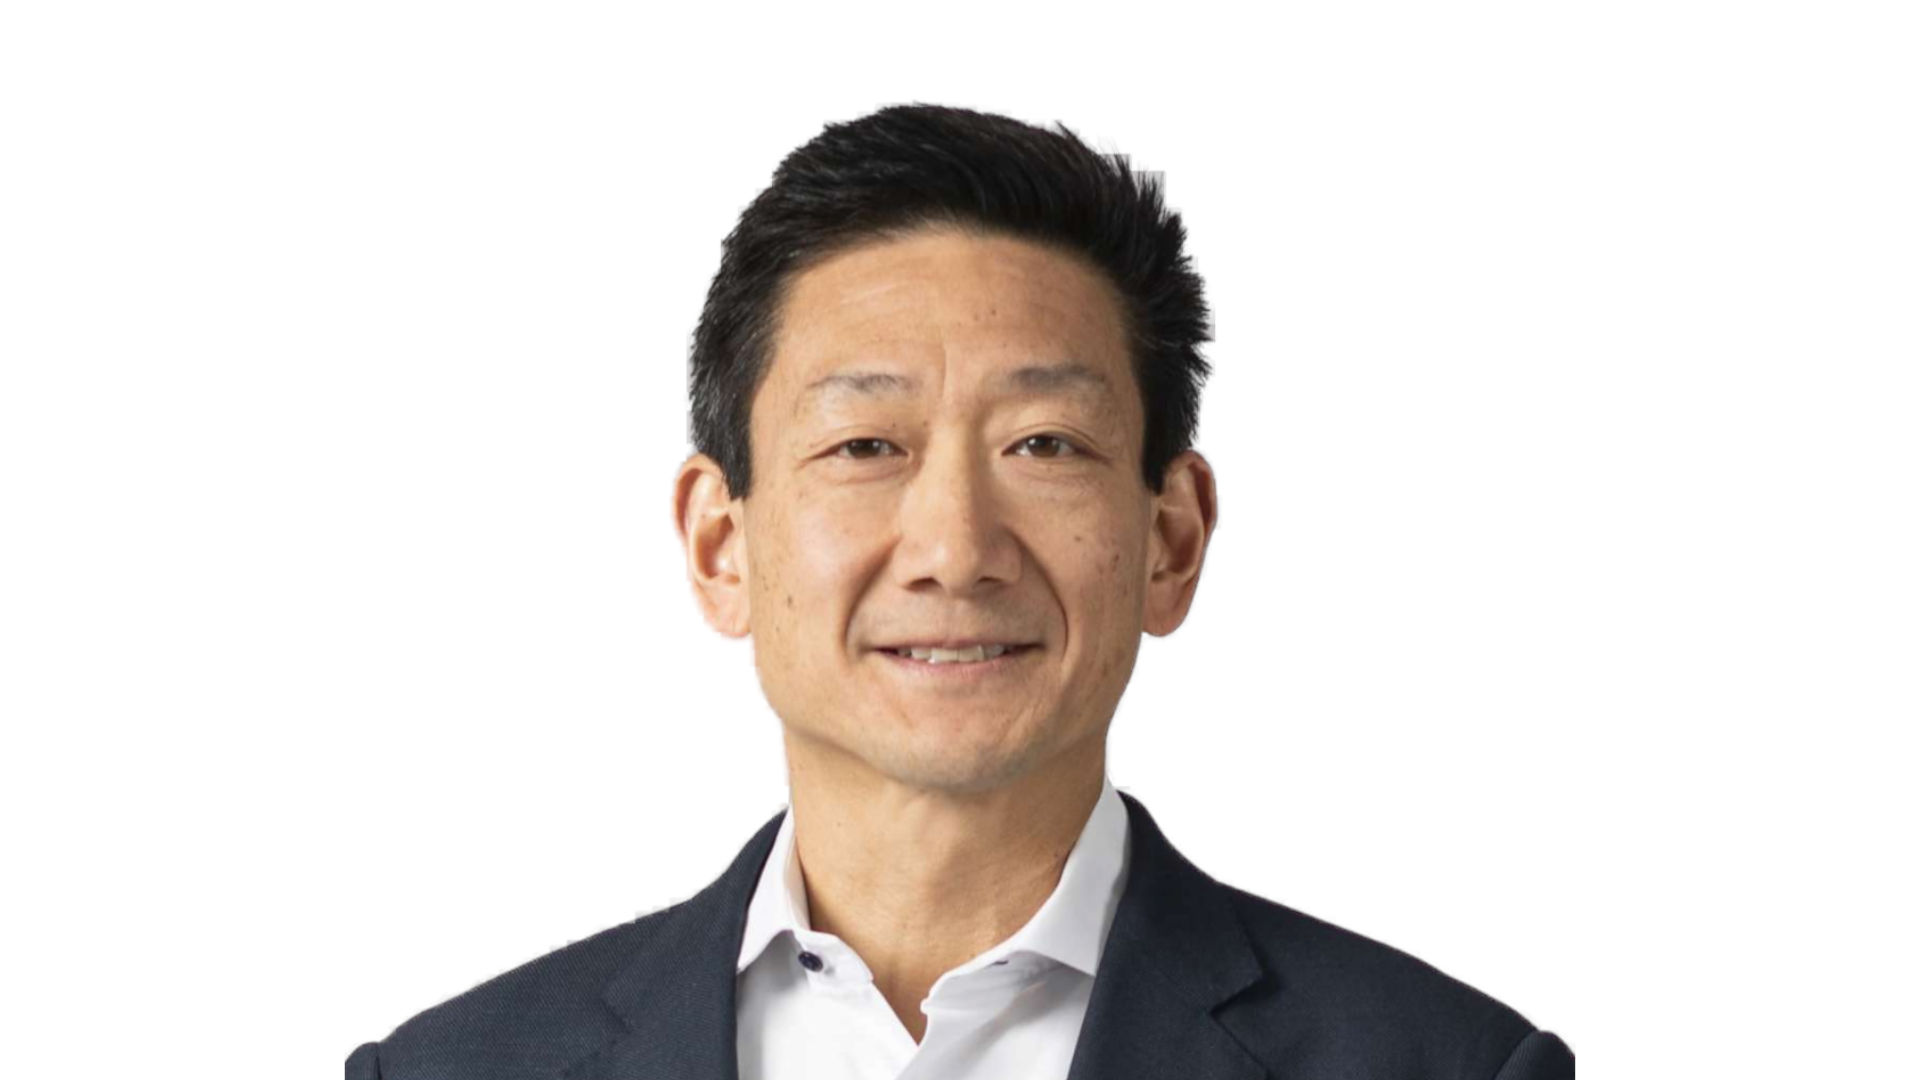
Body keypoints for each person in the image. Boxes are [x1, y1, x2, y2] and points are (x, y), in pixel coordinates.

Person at [346, 102, 1574, 1080]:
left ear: (1172, 539)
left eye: (1044, 444)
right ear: (722, 545)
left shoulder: (1445, 1065)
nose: (955, 548)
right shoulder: (454, 1070)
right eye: (864, 446)